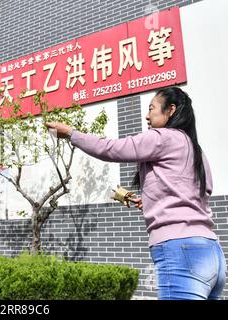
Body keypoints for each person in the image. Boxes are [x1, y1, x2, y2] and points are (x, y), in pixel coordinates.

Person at [46, 86, 226, 300]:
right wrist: (152, 201)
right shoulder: (196, 149)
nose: (147, 115)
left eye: (152, 108)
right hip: (212, 253)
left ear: (171, 110)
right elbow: (197, 193)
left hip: (181, 251)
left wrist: (71, 134)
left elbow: (111, 148)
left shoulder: (162, 137)